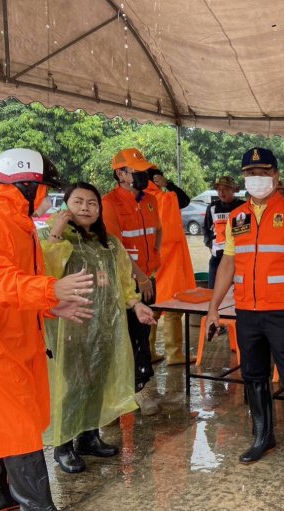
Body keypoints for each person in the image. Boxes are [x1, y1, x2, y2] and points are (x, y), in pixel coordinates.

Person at [0, 148, 93, 511]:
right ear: (26, 185)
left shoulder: (19, 223)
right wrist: (51, 290)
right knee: (19, 424)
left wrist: (52, 305)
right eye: (44, 187)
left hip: (10, 337)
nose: (48, 195)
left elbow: (19, 286)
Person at [206, 147, 284, 484]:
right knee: (254, 376)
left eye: (263, 173)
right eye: (250, 174)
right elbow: (229, 262)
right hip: (247, 312)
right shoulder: (237, 217)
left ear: (275, 175)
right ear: (244, 178)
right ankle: (263, 437)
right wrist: (214, 306)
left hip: (282, 312)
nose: (256, 179)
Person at [41, 182, 157, 474]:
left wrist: (136, 305)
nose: (85, 208)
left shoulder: (109, 242)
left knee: (96, 381)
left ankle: (88, 436)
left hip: (105, 326)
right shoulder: (52, 237)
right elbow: (46, 276)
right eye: (78, 202)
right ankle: (63, 444)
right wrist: (56, 233)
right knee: (74, 384)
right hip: (70, 327)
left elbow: (122, 280)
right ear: (66, 206)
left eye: (91, 203)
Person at [102, 148, 163, 415]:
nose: (142, 176)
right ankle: (137, 388)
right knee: (130, 336)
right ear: (120, 174)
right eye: (136, 172)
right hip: (129, 282)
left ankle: (141, 384)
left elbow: (157, 231)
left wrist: (153, 264)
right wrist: (139, 277)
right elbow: (117, 248)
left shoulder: (150, 200)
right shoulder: (109, 203)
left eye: (143, 172)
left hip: (149, 277)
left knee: (144, 332)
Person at [146, 168, 196, 366]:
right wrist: (169, 185)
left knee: (152, 307)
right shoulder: (164, 198)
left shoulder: (139, 199)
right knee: (173, 307)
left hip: (149, 263)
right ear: (157, 180)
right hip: (169, 260)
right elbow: (185, 199)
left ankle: (148, 351)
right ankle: (174, 353)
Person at [203, 176, 244, 289]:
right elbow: (206, 229)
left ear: (233, 190)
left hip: (239, 259)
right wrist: (210, 245)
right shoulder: (212, 208)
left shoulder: (243, 207)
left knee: (238, 293)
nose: (221, 192)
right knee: (213, 291)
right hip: (217, 259)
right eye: (219, 189)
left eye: (225, 189)